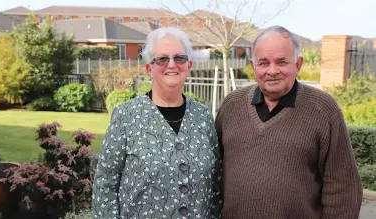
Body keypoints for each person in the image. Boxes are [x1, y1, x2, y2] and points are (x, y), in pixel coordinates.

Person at [215, 25, 363, 219]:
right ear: (253, 67)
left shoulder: (323, 109)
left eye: (282, 61)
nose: (272, 70)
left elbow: (343, 186)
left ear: (298, 65)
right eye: (264, 62)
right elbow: (213, 171)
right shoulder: (232, 105)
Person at [92, 27, 223, 218]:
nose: (172, 65)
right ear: (149, 68)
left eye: (179, 58)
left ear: (189, 65)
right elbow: (105, 185)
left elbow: (215, 184)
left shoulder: (203, 116)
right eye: (162, 59)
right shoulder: (126, 116)